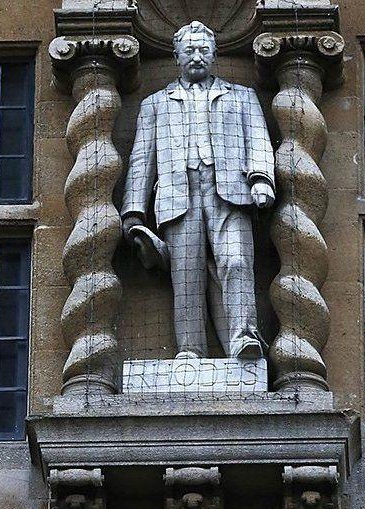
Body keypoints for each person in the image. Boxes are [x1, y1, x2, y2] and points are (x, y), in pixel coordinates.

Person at [121, 21, 276, 360]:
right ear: (176, 56)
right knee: (187, 276)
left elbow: (259, 141)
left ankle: (244, 337)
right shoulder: (155, 104)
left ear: (215, 54)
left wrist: (262, 178)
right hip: (178, 195)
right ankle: (190, 350)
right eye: (189, 50)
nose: (196, 56)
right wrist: (133, 212)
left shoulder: (242, 97)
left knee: (236, 261)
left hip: (231, 192)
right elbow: (141, 160)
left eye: (203, 50)